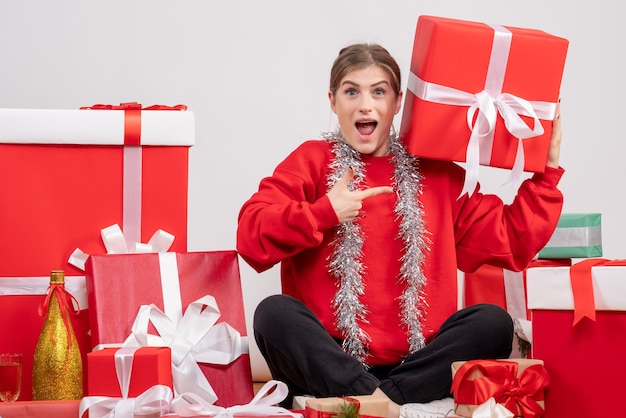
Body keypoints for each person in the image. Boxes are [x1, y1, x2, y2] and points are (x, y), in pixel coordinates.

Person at [236, 43, 563, 418]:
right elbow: (251, 235)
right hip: (332, 361)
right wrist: (324, 211)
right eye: (351, 91)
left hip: (418, 365)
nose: (365, 105)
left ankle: (378, 403)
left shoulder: (437, 172)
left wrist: (548, 169)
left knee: (493, 322)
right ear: (332, 100)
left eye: (378, 91)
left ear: (398, 102)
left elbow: (511, 240)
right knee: (273, 313)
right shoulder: (310, 160)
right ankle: (384, 402)